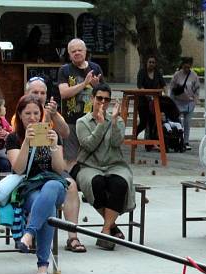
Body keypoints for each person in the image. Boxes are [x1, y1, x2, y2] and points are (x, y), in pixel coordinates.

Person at [6, 95, 68, 274]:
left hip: (55, 185)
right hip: (30, 188)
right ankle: (43, 265)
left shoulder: (51, 133)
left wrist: (54, 145)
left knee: (50, 186)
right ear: (20, 115)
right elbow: (18, 168)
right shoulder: (13, 138)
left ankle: (29, 234)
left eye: (36, 113)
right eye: (27, 114)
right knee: (47, 208)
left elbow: (59, 169)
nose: (32, 118)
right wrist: (26, 142)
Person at [21, 76, 85, 253]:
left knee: (71, 185)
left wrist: (54, 114)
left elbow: (65, 132)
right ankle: (32, 234)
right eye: (35, 92)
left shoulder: (52, 112)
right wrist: (42, 120)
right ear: (27, 93)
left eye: (43, 93)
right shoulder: (21, 113)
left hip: (53, 167)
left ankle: (73, 237)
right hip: (30, 168)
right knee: (41, 192)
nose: (40, 96)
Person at [75, 83, 136, 251]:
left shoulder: (117, 120)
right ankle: (112, 227)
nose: (102, 102)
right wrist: (101, 125)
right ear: (92, 99)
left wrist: (114, 121)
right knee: (97, 183)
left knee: (120, 184)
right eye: (99, 98)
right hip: (90, 165)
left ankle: (105, 229)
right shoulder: (82, 122)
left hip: (114, 165)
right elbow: (88, 145)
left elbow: (117, 143)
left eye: (106, 99)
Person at [57, 38, 103, 167]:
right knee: (71, 159)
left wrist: (96, 86)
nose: (77, 53)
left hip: (91, 122)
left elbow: (104, 95)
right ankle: (71, 184)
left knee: (92, 158)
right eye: (73, 51)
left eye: (79, 50)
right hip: (71, 121)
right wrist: (84, 84)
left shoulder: (95, 68)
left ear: (85, 51)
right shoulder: (64, 70)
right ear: (69, 54)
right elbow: (64, 93)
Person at [169, 57, 200, 150]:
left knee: (187, 122)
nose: (186, 69)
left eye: (188, 67)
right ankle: (178, 139)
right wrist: (171, 102)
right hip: (178, 102)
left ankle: (186, 141)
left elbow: (197, 88)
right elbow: (172, 88)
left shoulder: (194, 75)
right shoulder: (177, 75)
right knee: (178, 122)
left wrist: (195, 100)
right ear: (182, 65)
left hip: (190, 102)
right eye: (185, 67)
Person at [136, 55, 165, 151]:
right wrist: (147, 94)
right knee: (144, 123)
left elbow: (163, 85)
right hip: (143, 102)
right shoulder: (142, 72)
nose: (151, 64)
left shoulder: (157, 73)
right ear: (146, 63)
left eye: (153, 62)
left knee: (153, 122)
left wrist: (165, 94)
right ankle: (134, 135)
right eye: (150, 62)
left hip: (153, 102)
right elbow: (140, 86)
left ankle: (150, 144)